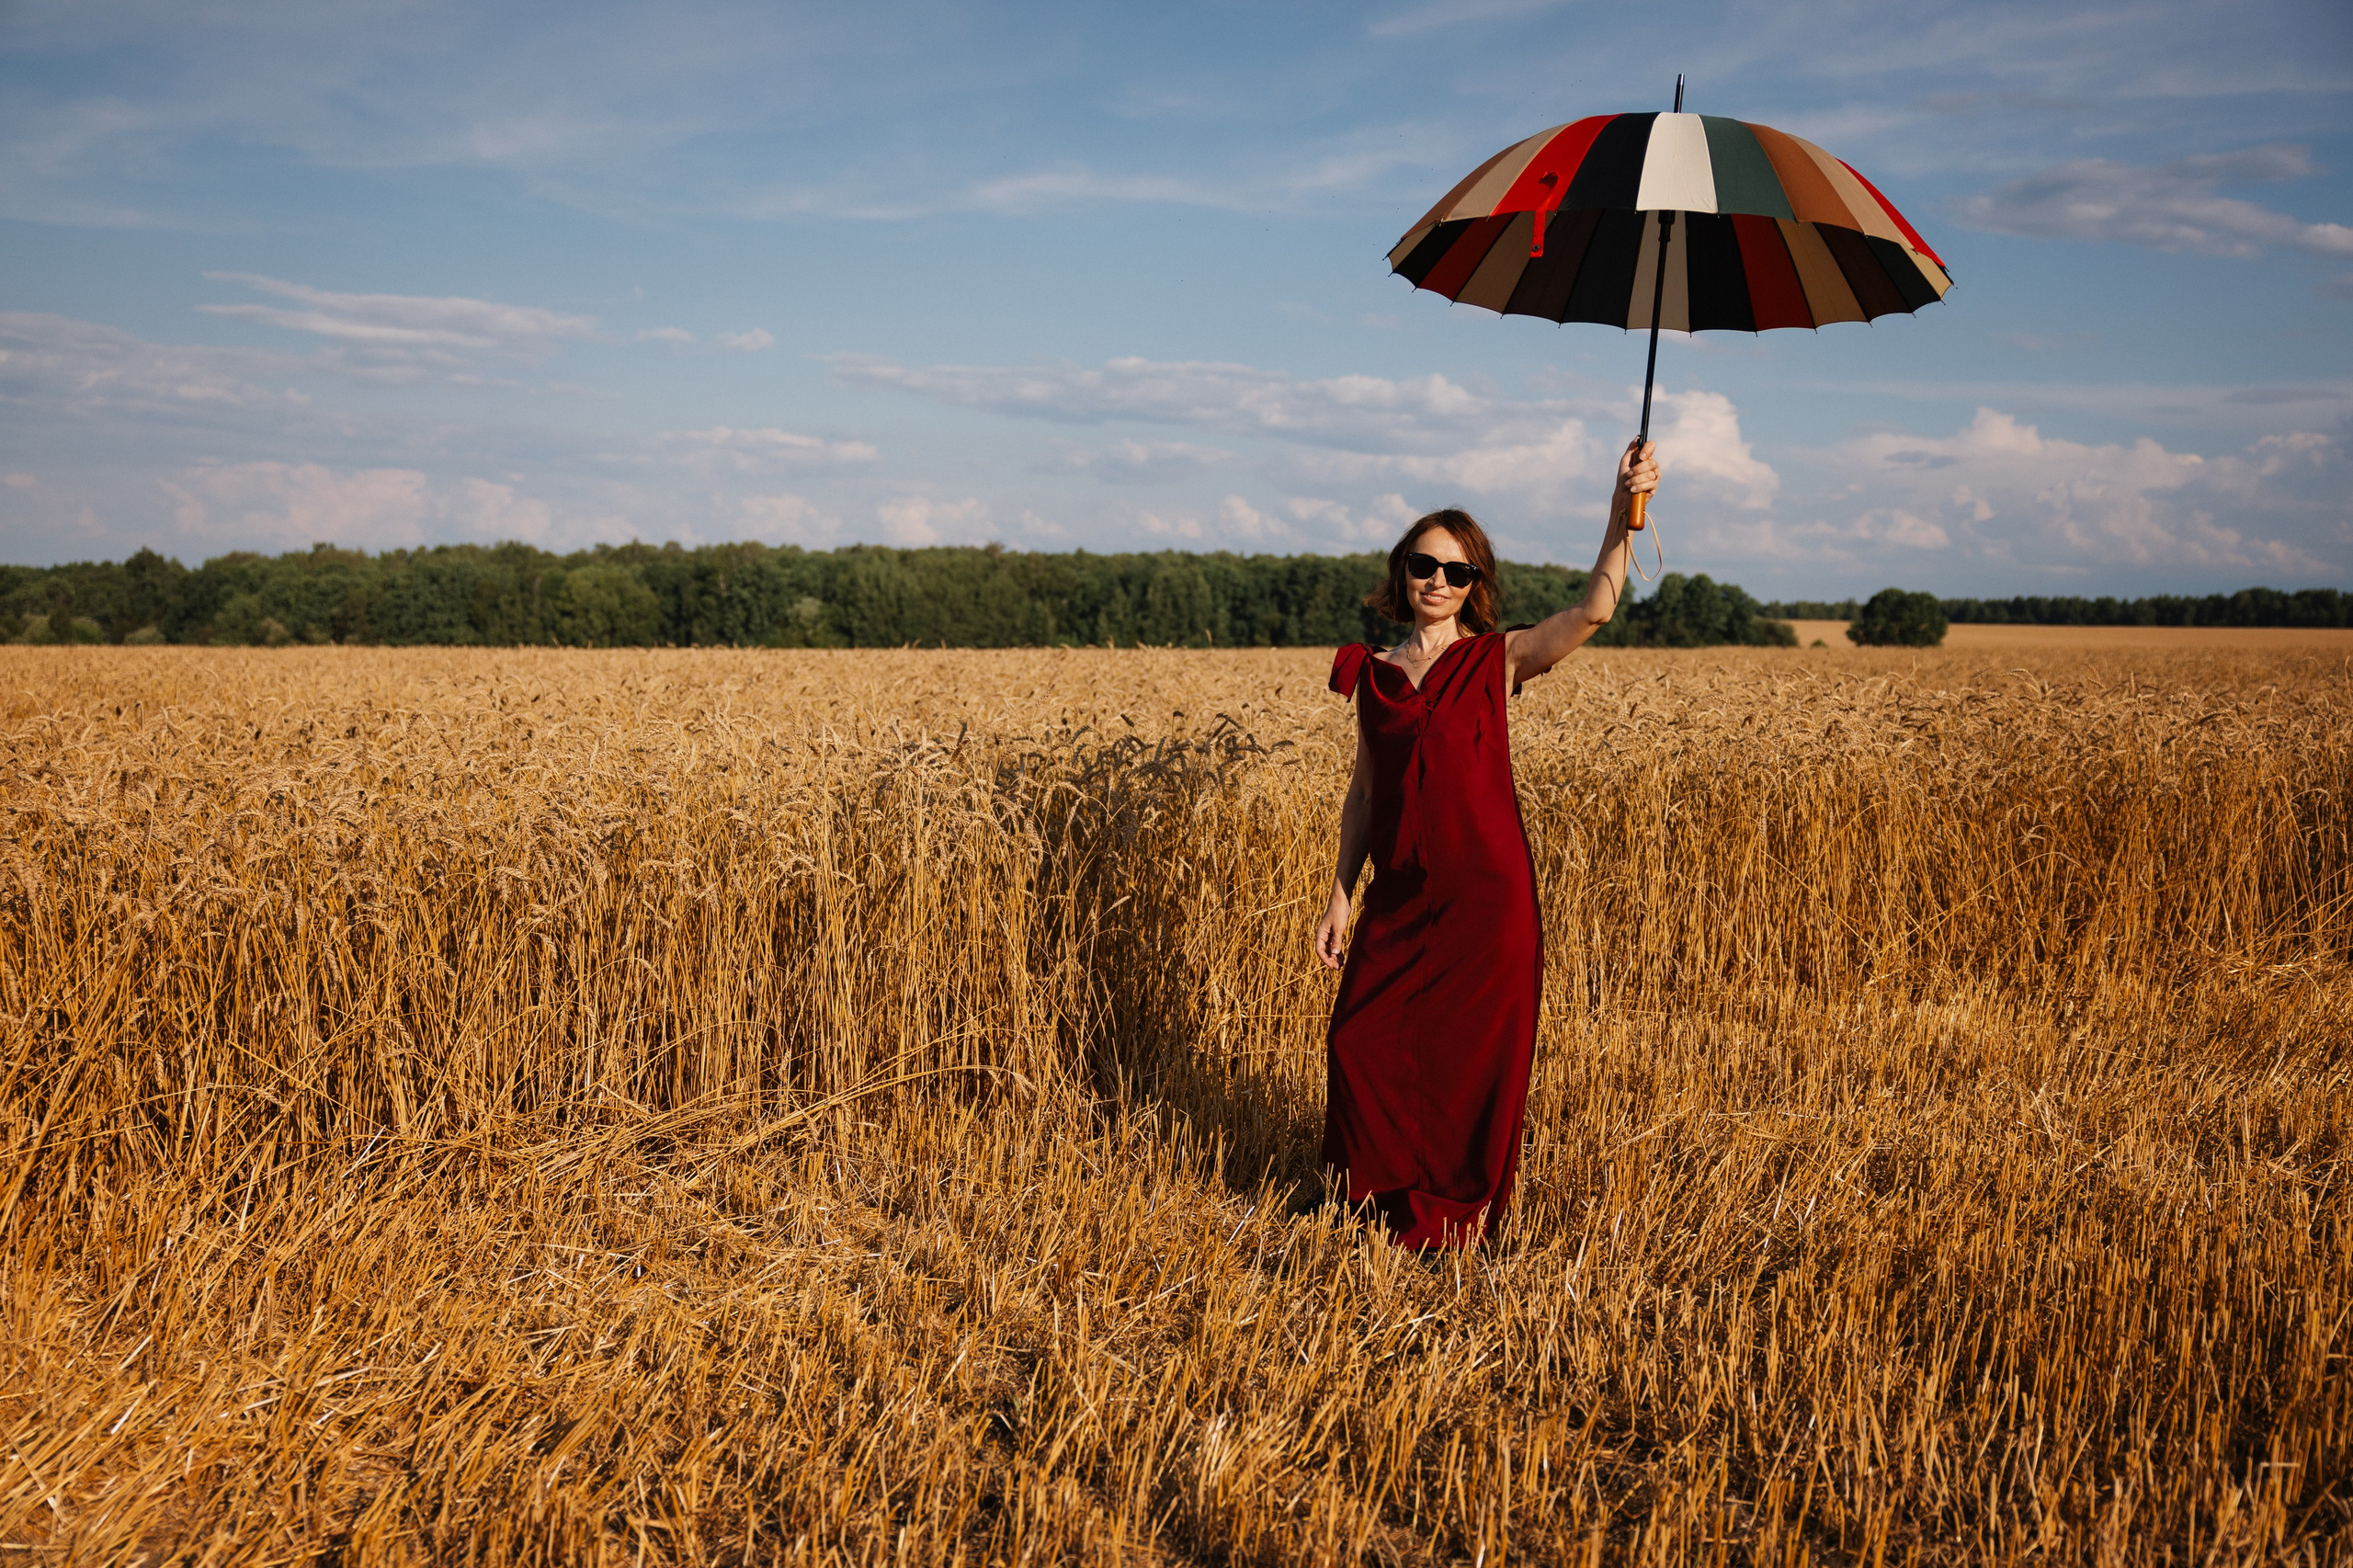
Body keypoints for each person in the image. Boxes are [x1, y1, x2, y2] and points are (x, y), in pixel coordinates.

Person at [1310, 438, 1658, 1249]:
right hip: (1397, 892)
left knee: (1470, 1057)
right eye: (1425, 565)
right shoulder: (1374, 672)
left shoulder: (1496, 660)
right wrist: (1339, 891)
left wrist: (1623, 509)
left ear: (1477, 585)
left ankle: (1451, 1218)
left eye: (1457, 571)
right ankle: (1378, 1198)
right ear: (1403, 572)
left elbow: (1595, 610)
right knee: (1359, 1039)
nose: (1438, 581)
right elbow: (1364, 790)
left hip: (1485, 895)